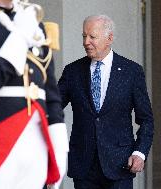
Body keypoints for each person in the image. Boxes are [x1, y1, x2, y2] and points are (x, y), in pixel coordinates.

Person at [0, 0, 68, 188]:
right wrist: (20, 36)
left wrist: (59, 147)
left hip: (35, 143)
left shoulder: (34, 22)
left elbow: (50, 92)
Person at [58, 14, 154, 189]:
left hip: (120, 165)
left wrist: (140, 152)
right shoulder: (72, 72)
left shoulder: (131, 72)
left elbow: (146, 119)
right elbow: (52, 106)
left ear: (109, 38)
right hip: (84, 166)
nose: (86, 42)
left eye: (92, 37)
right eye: (84, 36)